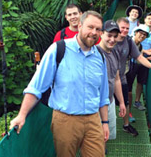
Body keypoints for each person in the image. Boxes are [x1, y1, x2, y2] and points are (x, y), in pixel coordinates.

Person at [10, 11, 110, 157]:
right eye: (90, 27)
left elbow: (103, 94)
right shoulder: (58, 49)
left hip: (93, 120)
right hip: (65, 120)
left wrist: (105, 122)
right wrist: (21, 115)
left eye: (98, 29)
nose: (94, 32)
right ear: (80, 25)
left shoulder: (100, 57)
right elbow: (36, 86)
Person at [114, 17, 151, 136]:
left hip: (123, 75)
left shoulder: (130, 42)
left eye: (127, 28)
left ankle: (126, 124)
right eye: (122, 28)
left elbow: (139, 57)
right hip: (109, 78)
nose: (124, 30)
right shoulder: (110, 39)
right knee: (105, 104)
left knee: (124, 101)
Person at [97, 20, 126, 143]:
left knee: (106, 136)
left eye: (115, 36)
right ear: (101, 34)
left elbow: (117, 78)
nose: (112, 39)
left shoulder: (115, 52)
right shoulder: (94, 53)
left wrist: (122, 102)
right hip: (96, 104)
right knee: (95, 138)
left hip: (110, 101)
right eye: (109, 35)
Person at [125, 24, 151, 121]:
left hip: (129, 69)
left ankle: (127, 114)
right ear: (135, 32)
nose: (142, 36)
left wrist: (149, 61)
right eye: (140, 33)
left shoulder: (140, 45)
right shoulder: (127, 41)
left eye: (145, 35)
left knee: (129, 92)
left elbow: (139, 58)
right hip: (120, 70)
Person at [133, 12, 151, 111]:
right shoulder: (138, 29)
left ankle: (137, 101)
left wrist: (145, 53)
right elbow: (133, 43)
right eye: (148, 18)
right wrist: (141, 52)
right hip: (134, 56)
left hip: (145, 58)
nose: (150, 21)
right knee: (130, 78)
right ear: (145, 20)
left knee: (141, 80)